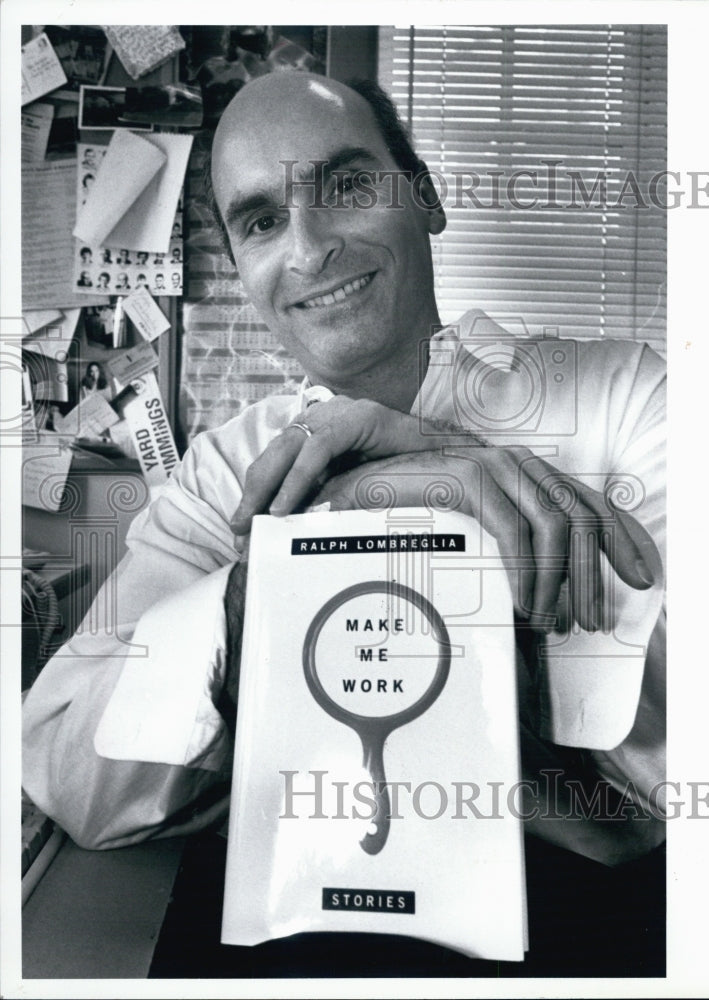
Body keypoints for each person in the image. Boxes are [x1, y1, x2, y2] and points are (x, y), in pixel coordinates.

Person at [23, 73, 666, 877]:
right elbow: (66, 772)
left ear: (426, 198)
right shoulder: (221, 476)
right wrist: (337, 514)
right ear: (244, 270)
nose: (307, 247)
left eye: (349, 185)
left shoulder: (626, 397)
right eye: (261, 222)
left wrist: (437, 465)